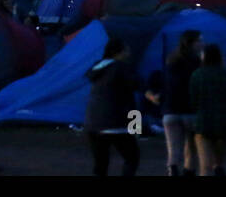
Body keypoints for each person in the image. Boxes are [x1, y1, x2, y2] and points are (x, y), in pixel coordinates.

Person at [146, 29, 201, 176]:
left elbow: (167, 84)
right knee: (191, 148)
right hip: (190, 111)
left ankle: (173, 171)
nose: (202, 43)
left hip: (170, 111)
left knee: (173, 149)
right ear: (191, 43)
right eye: (199, 41)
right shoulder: (196, 63)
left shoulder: (171, 61)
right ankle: (188, 173)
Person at [86, 37, 141, 176]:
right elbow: (132, 94)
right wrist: (136, 128)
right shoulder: (121, 68)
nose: (129, 52)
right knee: (132, 158)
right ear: (119, 52)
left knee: (100, 164)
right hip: (115, 122)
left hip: (92, 123)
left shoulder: (98, 69)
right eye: (126, 49)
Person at [189, 44, 226, 176]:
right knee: (219, 162)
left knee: (205, 166)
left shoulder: (197, 75)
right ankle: (218, 167)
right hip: (224, 122)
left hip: (203, 122)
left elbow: (193, 100)